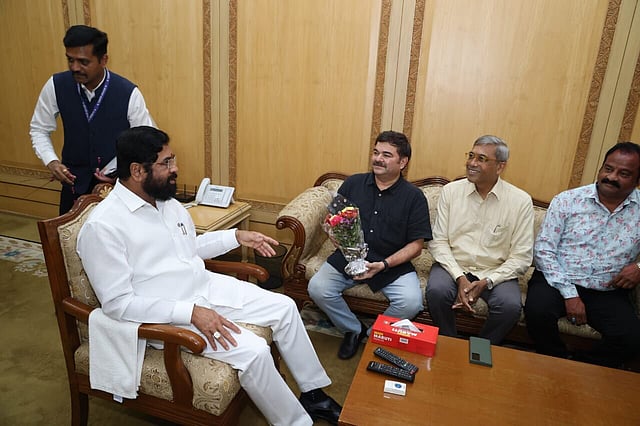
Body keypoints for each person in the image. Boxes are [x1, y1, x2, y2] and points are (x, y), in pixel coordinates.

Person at [76, 126, 341, 426]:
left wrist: (237, 237)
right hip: (166, 315)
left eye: (173, 159)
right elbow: (117, 304)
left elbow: (188, 248)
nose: (175, 168)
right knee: (254, 351)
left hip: (204, 287)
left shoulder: (166, 203)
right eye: (166, 163)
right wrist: (190, 312)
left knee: (285, 307)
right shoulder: (104, 227)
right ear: (137, 171)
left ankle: (313, 395)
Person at [308, 130, 432, 360]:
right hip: (348, 259)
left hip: (391, 264)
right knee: (318, 288)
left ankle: (375, 334)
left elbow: (416, 246)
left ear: (403, 162)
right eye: (376, 153)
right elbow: (333, 220)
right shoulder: (353, 184)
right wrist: (335, 234)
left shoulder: (414, 197)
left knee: (411, 303)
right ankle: (353, 330)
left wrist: (383, 265)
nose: (378, 159)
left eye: (386, 155)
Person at [525, 142, 640, 368]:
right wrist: (570, 295)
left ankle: (578, 368)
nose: (611, 177)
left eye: (624, 173)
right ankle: (556, 363)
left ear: (637, 180)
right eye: (608, 169)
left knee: (631, 338)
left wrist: (638, 268)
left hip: (607, 290)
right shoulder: (567, 200)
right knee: (537, 312)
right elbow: (544, 250)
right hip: (557, 281)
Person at [30, 25, 155, 215]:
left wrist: (117, 169)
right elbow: (39, 129)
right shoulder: (56, 85)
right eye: (70, 60)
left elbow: (147, 141)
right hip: (73, 186)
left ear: (103, 60)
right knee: (68, 234)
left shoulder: (128, 92)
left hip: (118, 189)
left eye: (83, 62)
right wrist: (52, 162)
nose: (75, 67)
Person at [426, 135, 534, 345]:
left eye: (481, 159)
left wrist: (487, 281)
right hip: (454, 264)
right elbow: (438, 242)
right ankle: (450, 345)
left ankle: (479, 349)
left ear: (500, 166)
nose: (472, 163)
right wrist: (459, 277)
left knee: (510, 307)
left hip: (495, 270)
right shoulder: (451, 192)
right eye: (471, 156)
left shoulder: (520, 202)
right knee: (437, 291)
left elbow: (521, 257)